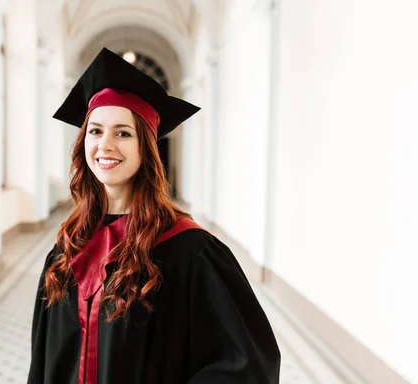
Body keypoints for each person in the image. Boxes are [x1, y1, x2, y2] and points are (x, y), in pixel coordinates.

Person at [27, 47, 280, 384]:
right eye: (96, 131)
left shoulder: (189, 253)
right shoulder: (67, 248)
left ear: (146, 147)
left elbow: (247, 365)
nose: (105, 145)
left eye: (123, 133)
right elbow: (44, 363)